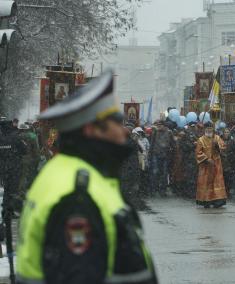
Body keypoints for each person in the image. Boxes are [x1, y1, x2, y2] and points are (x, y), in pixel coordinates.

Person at [16, 71, 157, 284]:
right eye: (116, 121)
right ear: (92, 129)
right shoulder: (77, 195)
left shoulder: (73, 173)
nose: (124, 131)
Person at [195, 121, 227, 208]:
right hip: (206, 166)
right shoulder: (201, 140)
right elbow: (198, 152)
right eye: (207, 129)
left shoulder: (217, 138)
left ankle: (217, 200)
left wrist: (217, 146)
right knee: (206, 183)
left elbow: (223, 148)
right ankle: (206, 200)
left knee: (217, 182)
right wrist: (206, 159)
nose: (209, 130)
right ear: (205, 129)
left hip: (216, 164)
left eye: (210, 129)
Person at [149, 120, 175, 196]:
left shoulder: (169, 132)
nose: (159, 126)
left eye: (160, 124)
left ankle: (162, 190)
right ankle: (153, 189)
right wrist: (150, 155)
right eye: (158, 125)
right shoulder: (155, 132)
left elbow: (173, 144)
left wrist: (171, 153)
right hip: (155, 155)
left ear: (164, 125)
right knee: (155, 172)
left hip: (165, 156)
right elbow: (152, 144)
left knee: (164, 173)